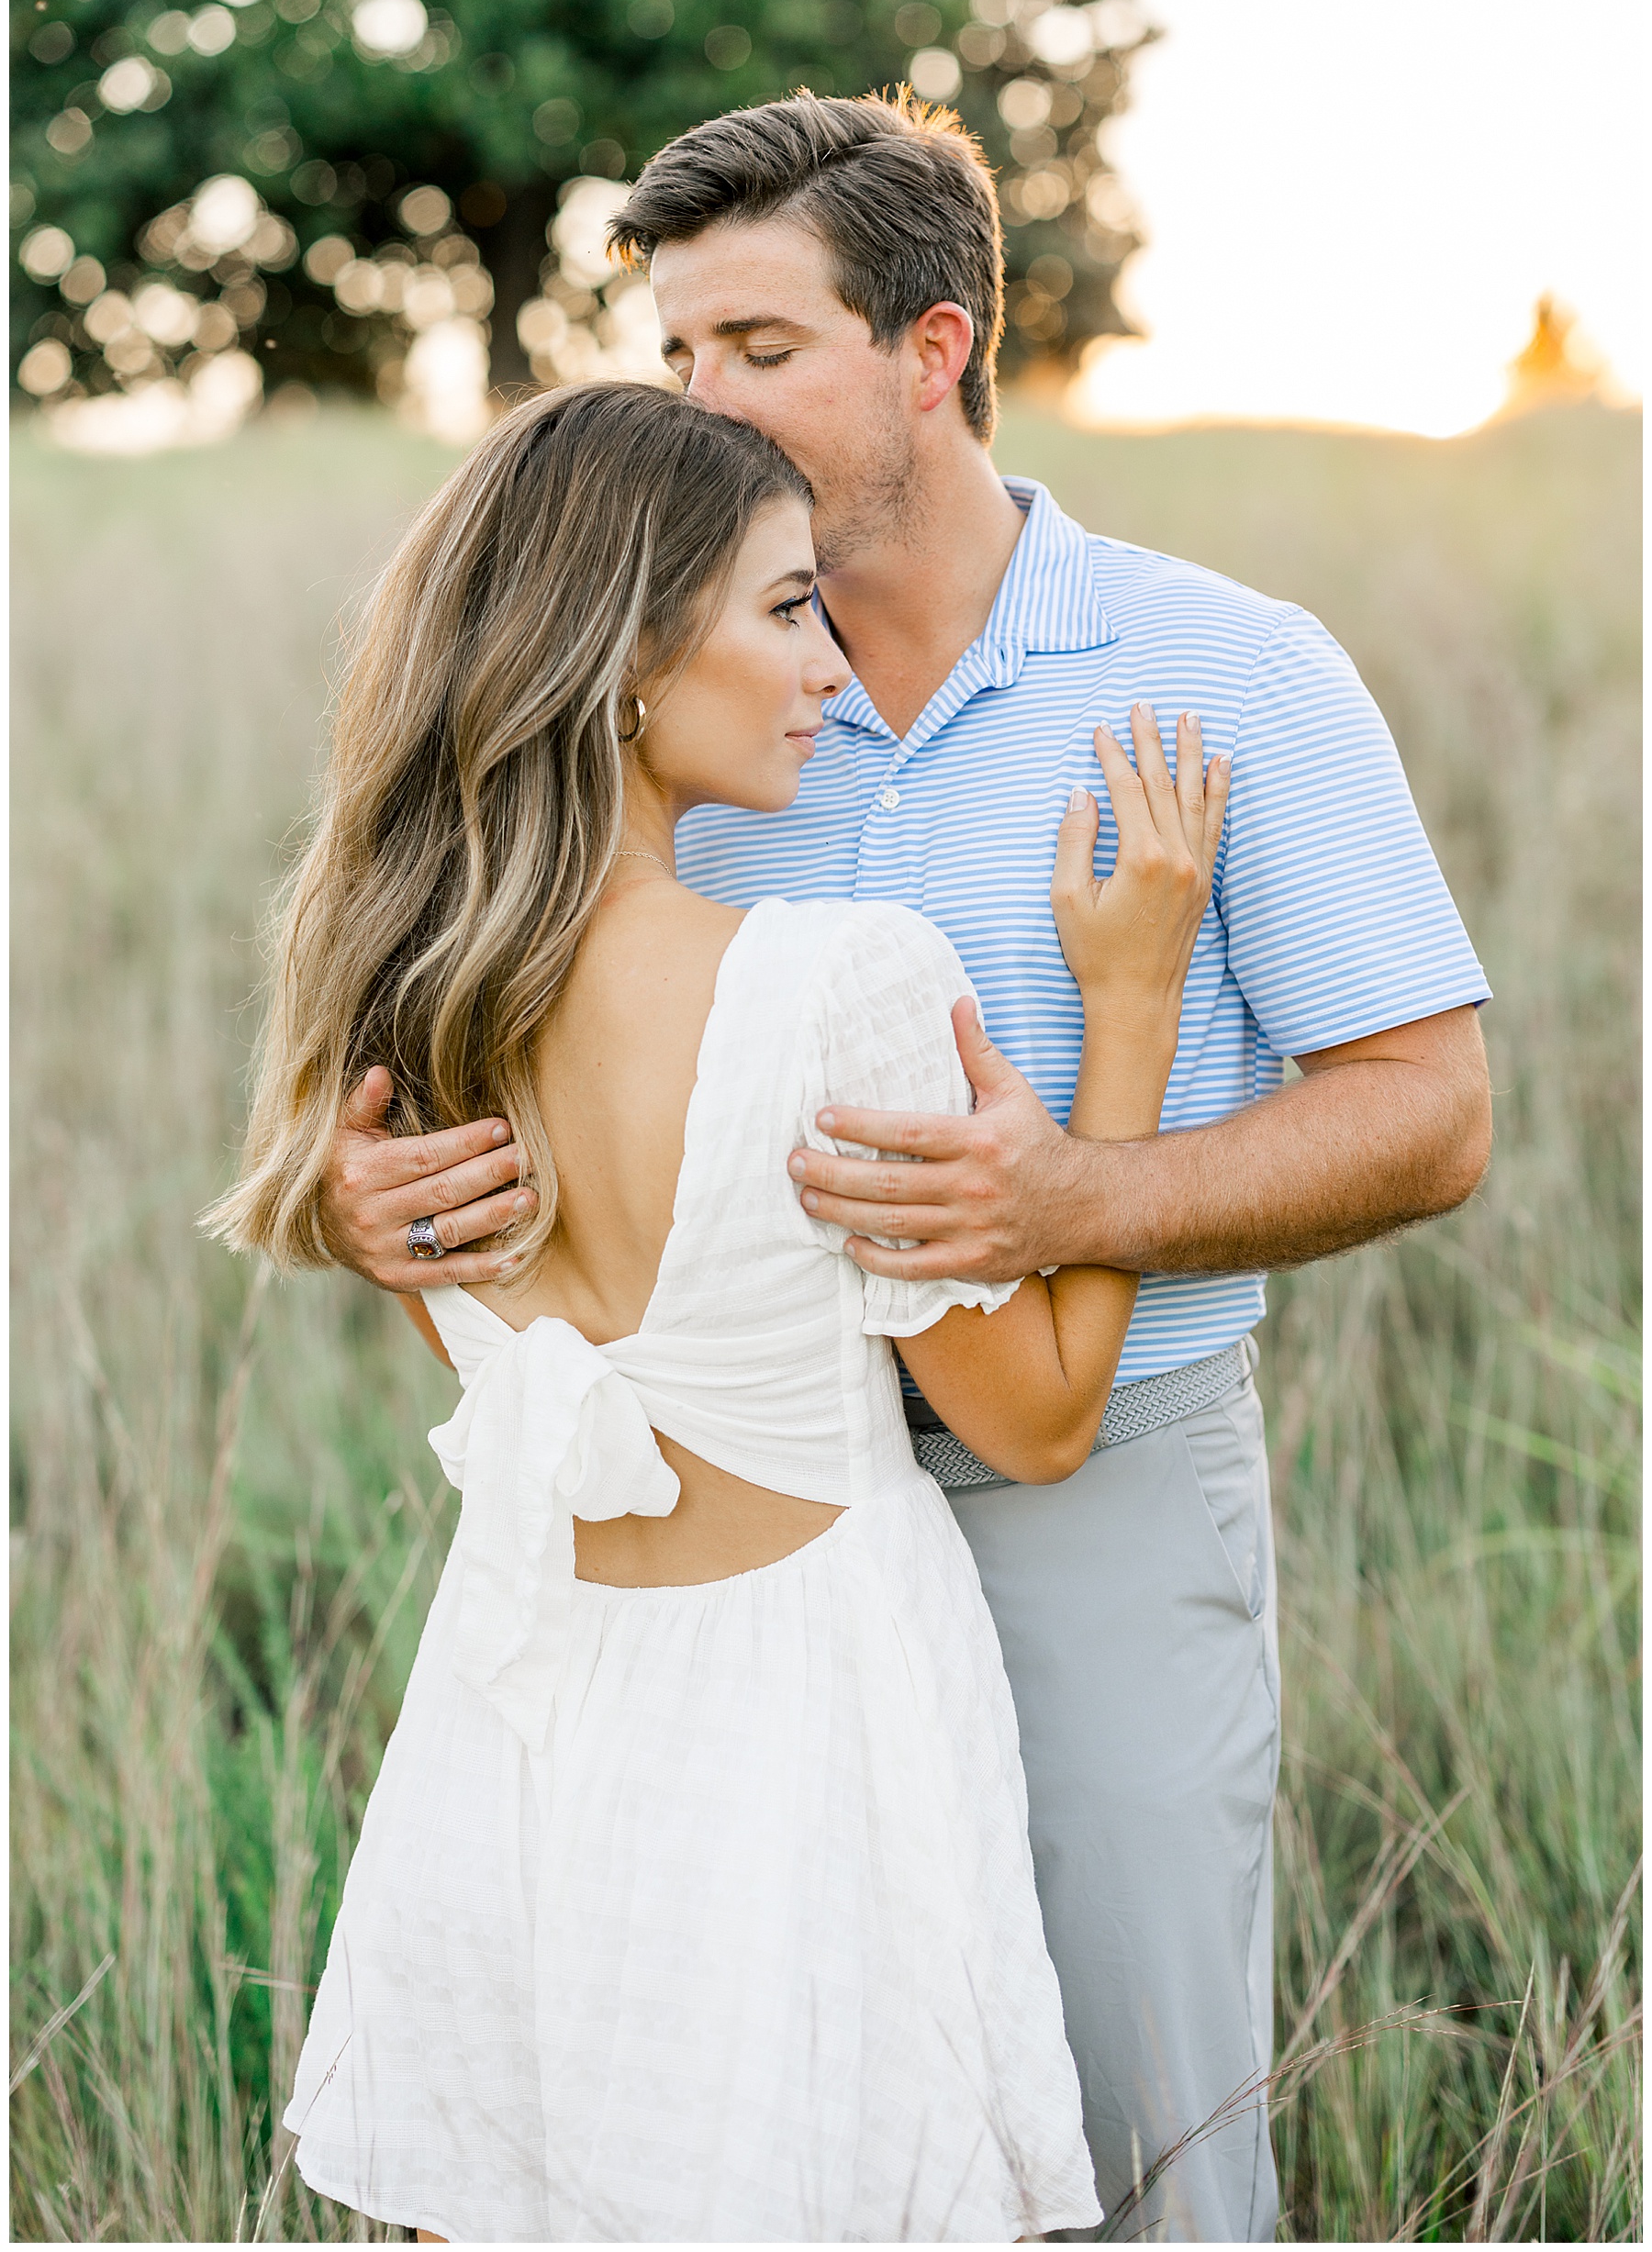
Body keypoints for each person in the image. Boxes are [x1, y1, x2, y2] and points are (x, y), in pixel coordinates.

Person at [318, 94, 1493, 2240]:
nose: (701, 399)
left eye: (758, 349)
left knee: (1131, 2140)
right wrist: (375, 1208)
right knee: (800, 2125)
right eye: (677, 352)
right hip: (717, 1535)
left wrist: (1083, 1199)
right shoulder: (678, 695)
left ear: (932, 350)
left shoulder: (1227, 672)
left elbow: (1433, 1106)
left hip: (1091, 1482)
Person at [207, 377, 1233, 2244]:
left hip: (525, 1710)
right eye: (782, 607)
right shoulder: (841, 984)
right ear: (624, 653)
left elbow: (486, 1338)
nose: (830, 664)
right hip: (804, 1722)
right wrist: (1136, 1004)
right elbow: (1039, 1415)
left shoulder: (407, 1003)